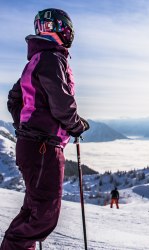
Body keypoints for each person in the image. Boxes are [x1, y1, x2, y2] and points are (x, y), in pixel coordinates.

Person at [1, 8, 89, 249]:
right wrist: (76, 125)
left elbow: (13, 98)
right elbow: (61, 102)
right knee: (43, 216)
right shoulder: (50, 58)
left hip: (35, 144)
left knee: (34, 210)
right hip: (43, 147)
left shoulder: (39, 59)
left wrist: (27, 125)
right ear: (66, 31)